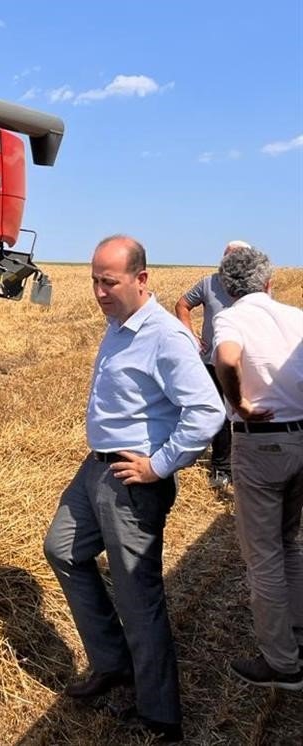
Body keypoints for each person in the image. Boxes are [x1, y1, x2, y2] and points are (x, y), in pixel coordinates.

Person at [43, 235, 225, 744]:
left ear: (141, 279)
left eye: (109, 281)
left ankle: (160, 714)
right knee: (62, 549)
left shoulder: (166, 337)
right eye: (94, 280)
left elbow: (208, 413)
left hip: (132, 479)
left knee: (136, 595)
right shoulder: (117, 323)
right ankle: (112, 662)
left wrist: (159, 466)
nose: (99, 291)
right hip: (95, 467)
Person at [212, 245, 303, 692]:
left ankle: (282, 664)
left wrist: (240, 404)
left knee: (263, 557)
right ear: (270, 282)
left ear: (227, 288)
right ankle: (299, 636)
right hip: (300, 437)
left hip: (260, 446)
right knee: (290, 543)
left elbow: (226, 359)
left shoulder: (231, 318)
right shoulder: (296, 317)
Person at [174, 240, 251, 489]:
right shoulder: (209, 283)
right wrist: (191, 336)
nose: (230, 262)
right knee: (218, 415)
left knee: (243, 413)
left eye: (237, 258)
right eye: (227, 257)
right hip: (210, 362)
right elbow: (182, 305)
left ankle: (245, 466)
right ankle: (221, 468)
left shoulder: (253, 286)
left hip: (244, 362)